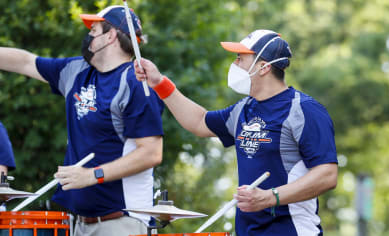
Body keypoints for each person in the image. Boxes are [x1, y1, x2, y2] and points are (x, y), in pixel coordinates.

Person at [135, 29, 338, 236]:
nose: (235, 64)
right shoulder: (243, 108)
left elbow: (327, 175)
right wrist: (159, 82)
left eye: (241, 58)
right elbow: (198, 121)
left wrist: (270, 197)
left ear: (264, 67)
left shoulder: (304, 110)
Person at [0, 5, 164, 236]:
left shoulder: (136, 81)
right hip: (80, 224)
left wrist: (91, 175)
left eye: (93, 30)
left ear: (110, 36)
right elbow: (27, 62)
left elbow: (151, 153)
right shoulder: (77, 70)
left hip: (122, 221)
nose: (88, 36)